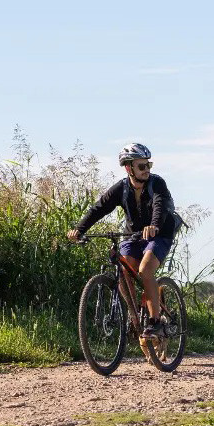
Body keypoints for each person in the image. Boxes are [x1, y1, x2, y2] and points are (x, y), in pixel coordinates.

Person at [67, 143, 181, 339]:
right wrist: (79, 229)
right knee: (124, 271)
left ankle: (155, 323)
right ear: (129, 168)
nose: (147, 170)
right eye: (141, 166)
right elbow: (99, 208)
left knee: (145, 270)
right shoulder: (121, 188)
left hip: (161, 233)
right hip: (133, 234)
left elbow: (160, 207)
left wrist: (154, 225)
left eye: (148, 165)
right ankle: (134, 314)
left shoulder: (157, 183)